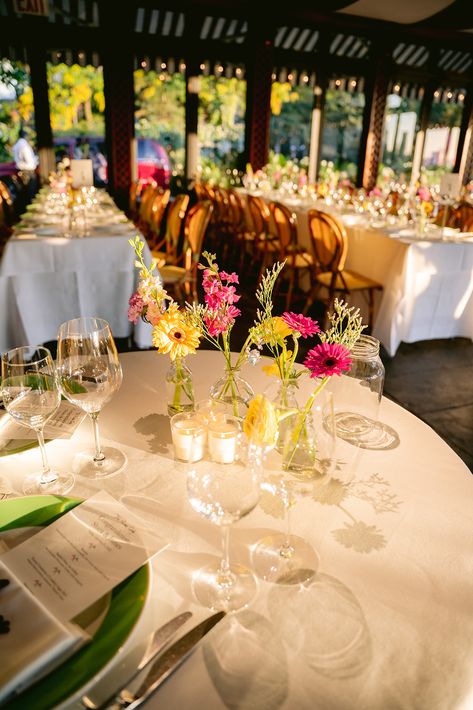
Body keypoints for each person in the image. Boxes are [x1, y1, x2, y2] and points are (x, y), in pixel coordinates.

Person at [12, 129, 38, 200]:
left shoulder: (17, 145)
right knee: (30, 192)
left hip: (22, 170)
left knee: (25, 192)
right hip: (27, 171)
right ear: (25, 136)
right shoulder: (24, 145)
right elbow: (29, 161)